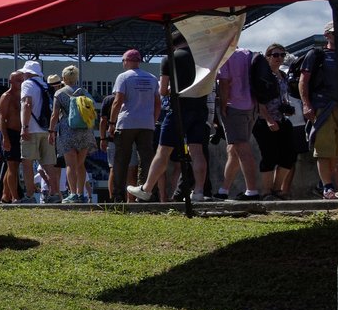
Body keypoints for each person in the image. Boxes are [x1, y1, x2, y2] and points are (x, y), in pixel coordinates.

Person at [127, 32, 210, 203]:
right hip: (200, 106)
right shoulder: (202, 58)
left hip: (180, 108)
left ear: (173, 45)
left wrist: (172, 89)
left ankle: (147, 188)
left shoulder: (170, 59)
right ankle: (199, 191)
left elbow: (163, 91)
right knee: (197, 151)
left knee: (163, 151)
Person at [103, 50, 158, 203]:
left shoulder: (123, 77)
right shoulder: (152, 78)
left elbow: (117, 101)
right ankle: (147, 192)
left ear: (126, 61)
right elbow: (157, 103)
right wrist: (153, 121)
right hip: (146, 124)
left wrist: (112, 123)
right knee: (146, 159)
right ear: (139, 61)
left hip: (127, 122)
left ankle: (118, 195)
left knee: (121, 160)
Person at [301, 22, 338, 200]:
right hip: (323, 105)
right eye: (335, 33)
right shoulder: (316, 54)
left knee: (337, 150)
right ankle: (327, 187)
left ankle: (323, 184)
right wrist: (307, 104)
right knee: (324, 149)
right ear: (327, 35)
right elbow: (304, 80)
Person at [215, 47, 262, 200]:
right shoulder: (248, 52)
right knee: (234, 150)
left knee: (242, 149)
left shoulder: (224, 55)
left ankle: (252, 191)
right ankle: (224, 190)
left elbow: (224, 82)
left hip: (234, 106)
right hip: (252, 105)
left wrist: (222, 106)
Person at [253, 44, 297, 200]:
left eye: (282, 55)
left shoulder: (283, 75)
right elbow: (259, 100)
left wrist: (286, 108)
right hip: (264, 120)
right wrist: (269, 119)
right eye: (275, 55)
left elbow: (282, 95)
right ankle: (265, 192)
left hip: (281, 118)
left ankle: (277, 189)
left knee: (289, 156)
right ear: (268, 57)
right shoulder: (263, 75)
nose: (279, 58)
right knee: (270, 156)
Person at [49, 66, 98, 203]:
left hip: (68, 130)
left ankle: (73, 194)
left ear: (63, 79)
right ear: (76, 78)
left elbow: (54, 115)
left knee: (70, 164)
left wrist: (51, 131)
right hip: (85, 131)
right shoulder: (84, 91)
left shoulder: (59, 94)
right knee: (80, 164)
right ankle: (82, 194)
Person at [18, 60, 60, 203]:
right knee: (49, 164)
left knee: (27, 163)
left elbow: (27, 104)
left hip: (32, 129)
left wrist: (25, 126)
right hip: (47, 130)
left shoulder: (27, 84)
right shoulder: (47, 86)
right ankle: (54, 194)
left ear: (28, 73)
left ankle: (29, 195)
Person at [0, 73, 24, 203]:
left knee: (13, 167)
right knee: (12, 166)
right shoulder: (6, 97)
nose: (21, 82)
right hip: (10, 133)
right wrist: (5, 138)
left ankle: (5, 194)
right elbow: (2, 118)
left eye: (22, 80)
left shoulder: (22, 96)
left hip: (20, 133)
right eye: (18, 80)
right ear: (11, 81)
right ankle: (15, 197)